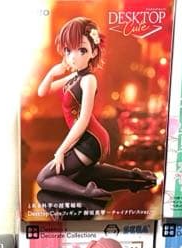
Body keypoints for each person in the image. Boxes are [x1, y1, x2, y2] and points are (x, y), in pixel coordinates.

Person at [34, 17, 156, 207]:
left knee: (43, 178)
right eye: (68, 50)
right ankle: (134, 176)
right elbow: (42, 92)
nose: (73, 56)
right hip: (86, 138)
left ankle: (87, 192)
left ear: (94, 52)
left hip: (91, 140)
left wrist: (61, 151)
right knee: (84, 173)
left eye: (81, 50)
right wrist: (51, 73)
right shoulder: (74, 76)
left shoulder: (88, 80)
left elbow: (83, 121)